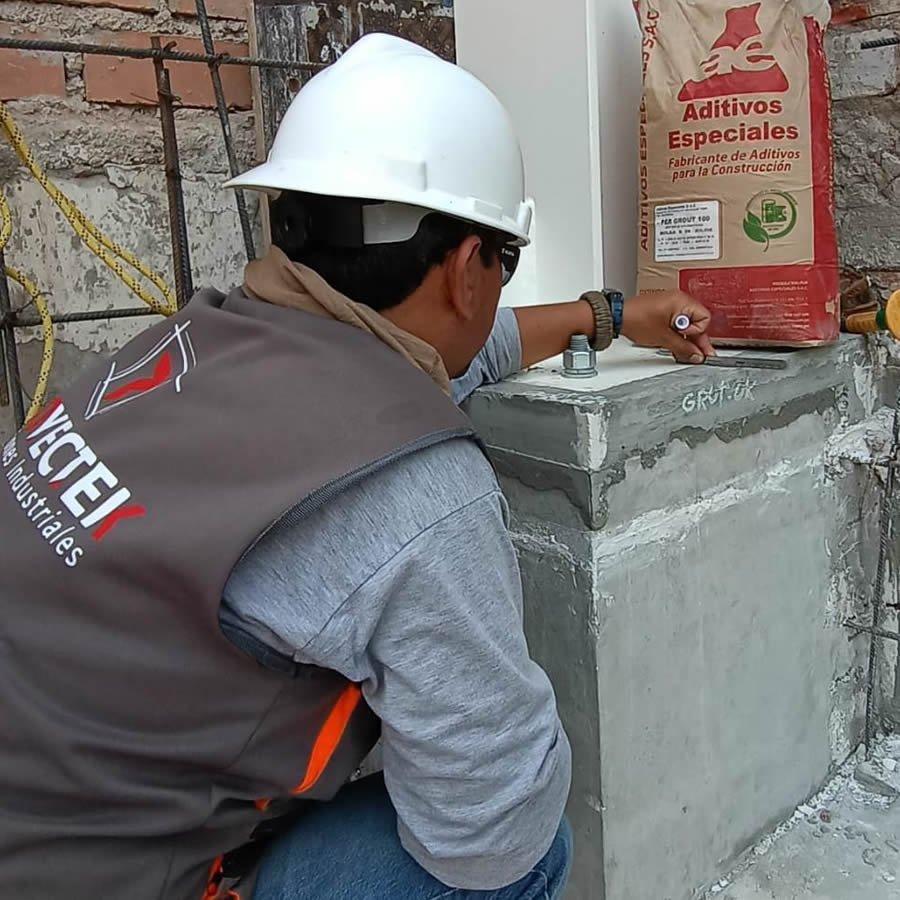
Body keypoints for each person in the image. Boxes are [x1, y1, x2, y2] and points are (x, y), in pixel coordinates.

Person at [0, 34, 713, 900]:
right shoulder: (414, 494)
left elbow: (449, 351)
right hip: (108, 876)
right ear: (466, 269)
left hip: (45, 811)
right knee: (529, 850)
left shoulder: (189, 344)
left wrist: (609, 315)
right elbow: (488, 833)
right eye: (503, 261)